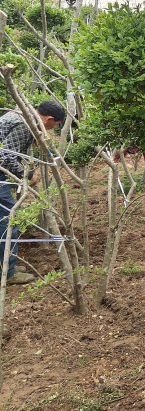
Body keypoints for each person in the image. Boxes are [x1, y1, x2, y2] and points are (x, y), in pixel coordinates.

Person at [0, 101, 66, 285]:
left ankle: (5, 264)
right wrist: (28, 174)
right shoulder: (22, 123)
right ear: (50, 119)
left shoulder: (27, 119)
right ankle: (8, 272)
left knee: (7, 220)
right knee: (8, 221)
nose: (54, 129)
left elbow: (18, 151)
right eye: (56, 124)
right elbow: (5, 156)